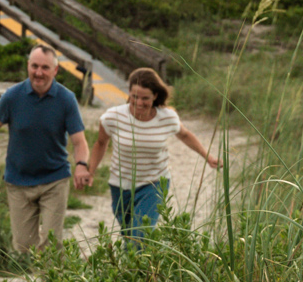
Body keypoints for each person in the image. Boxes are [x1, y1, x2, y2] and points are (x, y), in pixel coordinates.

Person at [0, 46, 91, 253]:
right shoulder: (12, 96)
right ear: (28, 66)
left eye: (45, 67)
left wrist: (81, 165)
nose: (39, 72)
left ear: (55, 71)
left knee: (51, 245)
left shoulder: (66, 99)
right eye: (34, 66)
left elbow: (79, 141)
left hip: (54, 179)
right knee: (23, 246)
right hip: (18, 181)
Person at [93, 67, 218, 241]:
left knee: (141, 234)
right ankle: (133, 266)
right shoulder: (112, 117)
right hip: (120, 185)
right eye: (134, 97)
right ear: (129, 93)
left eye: (145, 98)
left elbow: (185, 135)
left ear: (155, 96)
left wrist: (208, 157)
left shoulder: (167, 117)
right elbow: (100, 143)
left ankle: (141, 268)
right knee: (129, 234)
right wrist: (88, 171)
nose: (139, 102)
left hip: (154, 183)